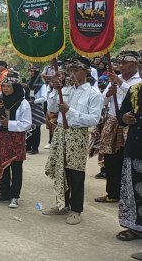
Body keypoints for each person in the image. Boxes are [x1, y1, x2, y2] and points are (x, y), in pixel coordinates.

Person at [43, 56, 104, 225]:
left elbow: (93, 119)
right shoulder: (67, 90)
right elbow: (52, 108)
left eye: (76, 70)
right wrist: (55, 90)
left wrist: (71, 111)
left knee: (75, 172)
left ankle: (76, 210)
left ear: (85, 72)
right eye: (70, 70)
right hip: (62, 132)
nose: (72, 74)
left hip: (77, 134)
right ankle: (62, 204)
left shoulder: (94, 94)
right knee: (60, 169)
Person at [96, 51, 141, 203]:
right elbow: (102, 102)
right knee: (110, 158)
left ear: (135, 64)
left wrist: (120, 85)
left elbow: (134, 94)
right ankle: (112, 193)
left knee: (125, 159)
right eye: (119, 63)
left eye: (125, 63)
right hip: (113, 121)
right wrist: (109, 93)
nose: (121, 65)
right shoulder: (115, 79)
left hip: (130, 124)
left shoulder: (138, 81)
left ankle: (127, 194)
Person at [0, 72, 32, 209]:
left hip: (16, 138)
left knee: (16, 167)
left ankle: (14, 196)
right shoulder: (0, 101)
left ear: (15, 87)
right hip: (1, 136)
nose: (5, 89)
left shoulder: (23, 103)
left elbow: (27, 123)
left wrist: (10, 124)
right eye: (3, 86)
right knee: (1, 164)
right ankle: (4, 193)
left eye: (8, 86)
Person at [116, 78, 142, 244]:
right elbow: (120, 115)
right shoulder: (134, 89)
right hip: (136, 146)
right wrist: (124, 118)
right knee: (133, 190)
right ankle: (136, 226)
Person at [26, 66, 48, 155]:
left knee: (36, 128)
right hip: (27, 106)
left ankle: (35, 148)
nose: (30, 73)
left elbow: (44, 97)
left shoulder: (41, 84)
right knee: (27, 126)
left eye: (32, 71)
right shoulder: (28, 82)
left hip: (36, 107)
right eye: (29, 71)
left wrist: (34, 101)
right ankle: (28, 146)